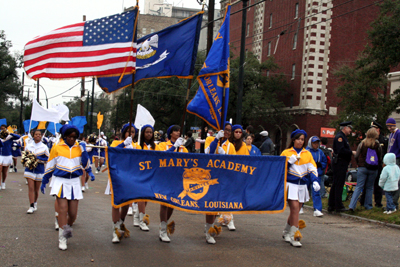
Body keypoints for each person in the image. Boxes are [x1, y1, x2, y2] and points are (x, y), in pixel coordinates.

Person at [40, 125, 95, 250]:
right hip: (61, 181)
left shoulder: (79, 147)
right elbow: (51, 164)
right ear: (65, 136)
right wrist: (44, 180)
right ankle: (62, 238)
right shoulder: (57, 147)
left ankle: (67, 228)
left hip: (75, 181)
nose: (72, 139)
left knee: (73, 214)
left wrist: (85, 153)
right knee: (63, 210)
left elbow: (85, 163)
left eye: (74, 137)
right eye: (69, 136)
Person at [281, 129, 319, 247]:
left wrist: (315, 181)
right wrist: (288, 162)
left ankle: (286, 232)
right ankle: (294, 235)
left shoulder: (307, 154)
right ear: (293, 140)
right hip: (290, 184)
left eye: (302, 139)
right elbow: (279, 169)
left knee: (295, 211)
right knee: (295, 208)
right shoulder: (286, 152)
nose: (300, 141)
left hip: (302, 185)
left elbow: (312, 169)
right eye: (298, 139)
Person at [106, 123, 141, 243]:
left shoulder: (137, 146)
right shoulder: (116, 143)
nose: (130, 134)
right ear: (123, 132)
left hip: (130, 177)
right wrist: (123, 144)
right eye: (128, 131)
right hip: (116, 175)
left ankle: (121, 222)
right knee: (116, 204)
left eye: (132, 132)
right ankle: (115, 229)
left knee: (126, 204)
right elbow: (111, 153)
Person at [204, 122, 236, 244]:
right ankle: (209, 231)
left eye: (229, 130)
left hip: (223, 178)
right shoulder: (210, 139)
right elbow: (208, 153)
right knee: (210, 205)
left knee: (217, 205)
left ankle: (209, 227)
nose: (227, 132)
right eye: (225, 130)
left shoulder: (230, 146)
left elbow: (233, 164)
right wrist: (216, 139)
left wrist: (225, 156)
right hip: (211, 176)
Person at [158, 125, 187, 243]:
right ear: (170, 133)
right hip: (165, 177)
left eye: (179, 131)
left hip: (177, 179)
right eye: (176, 130)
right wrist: (174, 147)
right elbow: (161, 157)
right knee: (164, 203)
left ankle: (162, 225)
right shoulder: (162, 145)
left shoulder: (183, 148)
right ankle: (163, 229)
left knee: (172, 204)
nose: (178, 132)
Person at [348, 128, 382, 211]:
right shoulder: (378, 145)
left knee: (359, 186)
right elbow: (380, 157)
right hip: (373, 168)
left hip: (362, 167)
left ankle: (352, 205)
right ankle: (368, 206)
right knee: (370, 187)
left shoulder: (362, 143)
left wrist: (358, 163)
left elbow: (356, 155)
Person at [360, 121, 388, 208]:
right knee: (367, 183)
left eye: (374, 128)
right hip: (369, 165)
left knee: (378, 184)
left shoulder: (384, 140)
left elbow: (386, 152)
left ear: (378, 129)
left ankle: (378, 202)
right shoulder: (368, 140)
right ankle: (363, 201)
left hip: (379, 165)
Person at [328, 121, 354, 213]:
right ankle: (338, 205)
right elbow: (341, 150)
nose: (350, 130)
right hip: (340, 163)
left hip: (341, 163)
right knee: (338, 184)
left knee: (336, 184)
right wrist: (351, 152)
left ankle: (332, 204)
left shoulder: (343, 137)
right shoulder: (340, 137)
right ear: (345, 128)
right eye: (349, 128)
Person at [24, 129, 49, 214]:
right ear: (33, 135)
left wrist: (38, 159)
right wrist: (28, 160)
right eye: (36, 134)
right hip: (29, 170)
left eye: (39, 134)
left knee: (36, 189)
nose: (38, 136)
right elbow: (24, 157)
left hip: (40, 170)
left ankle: (35, 203)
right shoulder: (28, 145)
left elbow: (47, 159)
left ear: (41, 135)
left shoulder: (44, 147)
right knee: (31, 188)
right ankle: (31, 205)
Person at [306, 136, 327, 217]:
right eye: (314, 143)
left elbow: (324, 161)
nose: (316, 145)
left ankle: (317, 209)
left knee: (316, 191)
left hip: (316, 174)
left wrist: (321, 165)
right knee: (303, 190)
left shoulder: (320, 152)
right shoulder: (306, 151)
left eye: (317, 143)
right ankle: (299, 207)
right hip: (307, 174)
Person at [0, 124, 20, 190]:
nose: (2, 129)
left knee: (4, 171)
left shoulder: (10, 136)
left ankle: (3, 182)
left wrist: (10, 133)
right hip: (0, 155)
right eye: (1, 128)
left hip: (7, 155)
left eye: (4, 128)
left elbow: (18, 137)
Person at [386, 118, 400, 210]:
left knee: (395, 182)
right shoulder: (391, 134)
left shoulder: (398, 133)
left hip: (397, 159)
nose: (389, 128)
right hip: (391, 160)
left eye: (389, 126)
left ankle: (394, 203)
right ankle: (390, 203)